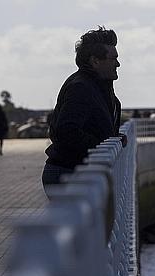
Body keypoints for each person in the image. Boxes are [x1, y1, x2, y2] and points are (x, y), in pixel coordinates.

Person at [42, 26, 126, 188]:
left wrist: (114, 137)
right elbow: (66, 130)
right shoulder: (81, 87)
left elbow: (93, 125)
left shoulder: (98, 86)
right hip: (67, 173)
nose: (118, 63)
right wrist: (103, 144)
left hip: (77, 171)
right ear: (95, 61)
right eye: (113, 58)